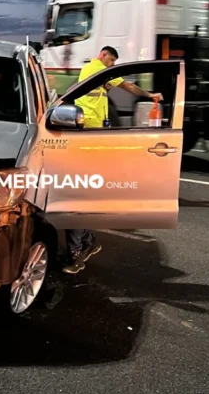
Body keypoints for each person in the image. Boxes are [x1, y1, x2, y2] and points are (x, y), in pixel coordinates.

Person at [62, 46, 164, 275]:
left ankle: (81, 248)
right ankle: (84, 245)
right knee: (76, 197)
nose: (112, 66)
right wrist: (150, 95)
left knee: (76, 197)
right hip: (85, 133)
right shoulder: (97, 68)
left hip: (90, 135)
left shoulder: (95, 72)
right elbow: (129, 86)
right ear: (103, 55)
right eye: (111, 61)